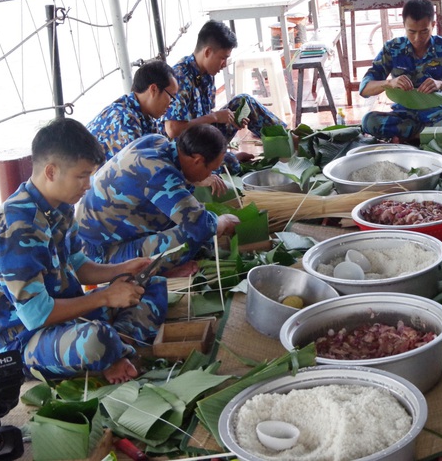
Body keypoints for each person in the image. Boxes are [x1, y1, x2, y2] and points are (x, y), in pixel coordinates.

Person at [0, 118, 167, 383]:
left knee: (152, 285)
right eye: (82, 175)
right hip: (22, 338)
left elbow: (78, 264)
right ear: (51, 171)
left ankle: (112, 347)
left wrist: (123, 269)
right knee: (96, 339)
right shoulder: (16, 228)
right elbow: (37, 314)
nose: (88, 184)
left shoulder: (60, 207)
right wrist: (106, 297)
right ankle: (108, 347)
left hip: (65, 315)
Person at [75, 124, 239, 277]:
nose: (210, 175)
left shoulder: (157, 142)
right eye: (210, 170)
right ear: (197, 160)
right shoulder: (159, 173)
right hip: (102, 256)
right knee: (193, 236)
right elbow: (200, 226)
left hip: (110, 234)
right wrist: (223, 222)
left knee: (191, 213)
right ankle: (155, 274)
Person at [162, 20, 287, 172]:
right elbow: (173, 130)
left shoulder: (207, 74)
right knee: (228, 166)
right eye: (223, 58)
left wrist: (232, 119)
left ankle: (286, 139)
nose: (224, 64)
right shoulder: (180, 77)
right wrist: (214, 117)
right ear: (207, 52)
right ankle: (228, 158)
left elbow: (206, 117)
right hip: (187, 148)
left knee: (244, 102)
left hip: (203, 136)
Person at [359, 0, 442, 143]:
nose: (417, 38)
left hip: (437, 113)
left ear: (433, 25)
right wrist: (390, 83)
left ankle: (407, 137)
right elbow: (364, 88)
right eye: (411, 31)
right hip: (403, 114)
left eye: (424, 31)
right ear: (404, 26)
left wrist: (440, 84)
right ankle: (428, 136)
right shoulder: (393, 48)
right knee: (369, 121)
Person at [87, 60, 178, 160]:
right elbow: (141, 165)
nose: (171, 104)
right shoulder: (123, 117)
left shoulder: (146, 118)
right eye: (171, 97)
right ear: (153, 89)